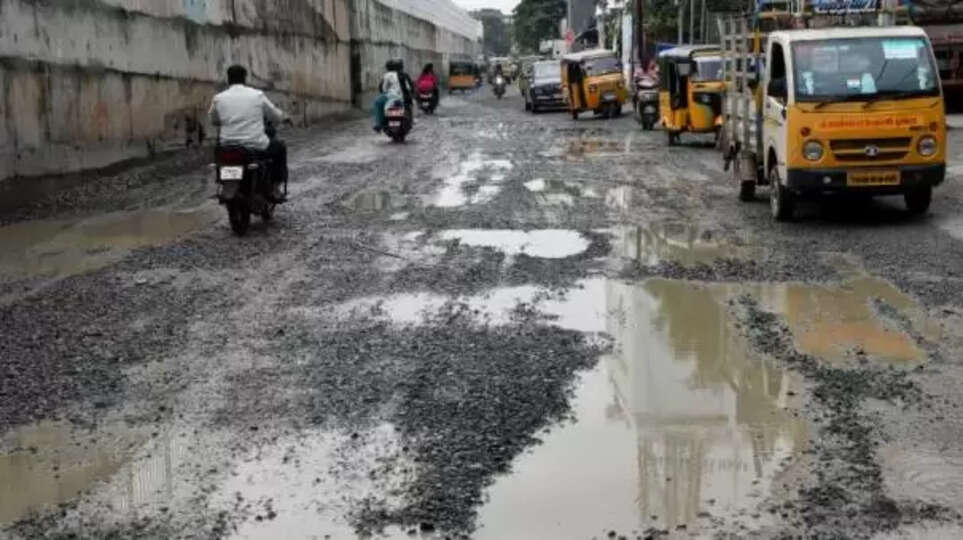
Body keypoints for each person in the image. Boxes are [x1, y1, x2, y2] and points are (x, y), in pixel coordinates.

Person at [209, 64, 290, 200]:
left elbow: (214, 119)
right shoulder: (257, 95)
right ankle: (275, 187)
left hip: (227, 145)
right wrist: (285, 117)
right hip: (255, 145)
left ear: (228, 79)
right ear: (245, 79)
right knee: (280, 148)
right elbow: (274, 115)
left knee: (219, 156)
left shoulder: (218, 98)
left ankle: (224, 183)